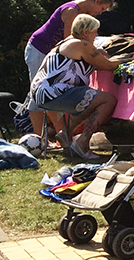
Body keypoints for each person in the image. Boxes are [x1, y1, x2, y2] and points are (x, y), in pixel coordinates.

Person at [29, 14, 121, 161]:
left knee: (91, 101)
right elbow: (108, 65)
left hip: (41, 93)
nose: (96, 35)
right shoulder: (81, 45)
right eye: (94, 32)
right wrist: (133, 58)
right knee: (108, 100)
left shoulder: (66, 42)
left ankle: (65, 134)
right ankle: (82, 143)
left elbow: (101, 60)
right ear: (85, 32)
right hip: (54, 93)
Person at [25, 0, 116, 137]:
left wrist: (96, 51)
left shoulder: (80, 12)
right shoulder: (72, 11)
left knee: (48, 94)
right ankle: (41, 138)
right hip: (39, 49)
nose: (100, 12)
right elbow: (73, 38)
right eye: (102, 8)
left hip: (52, 52)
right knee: (38, 98)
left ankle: (62, 135)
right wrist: (96, 53)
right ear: (97, 1)